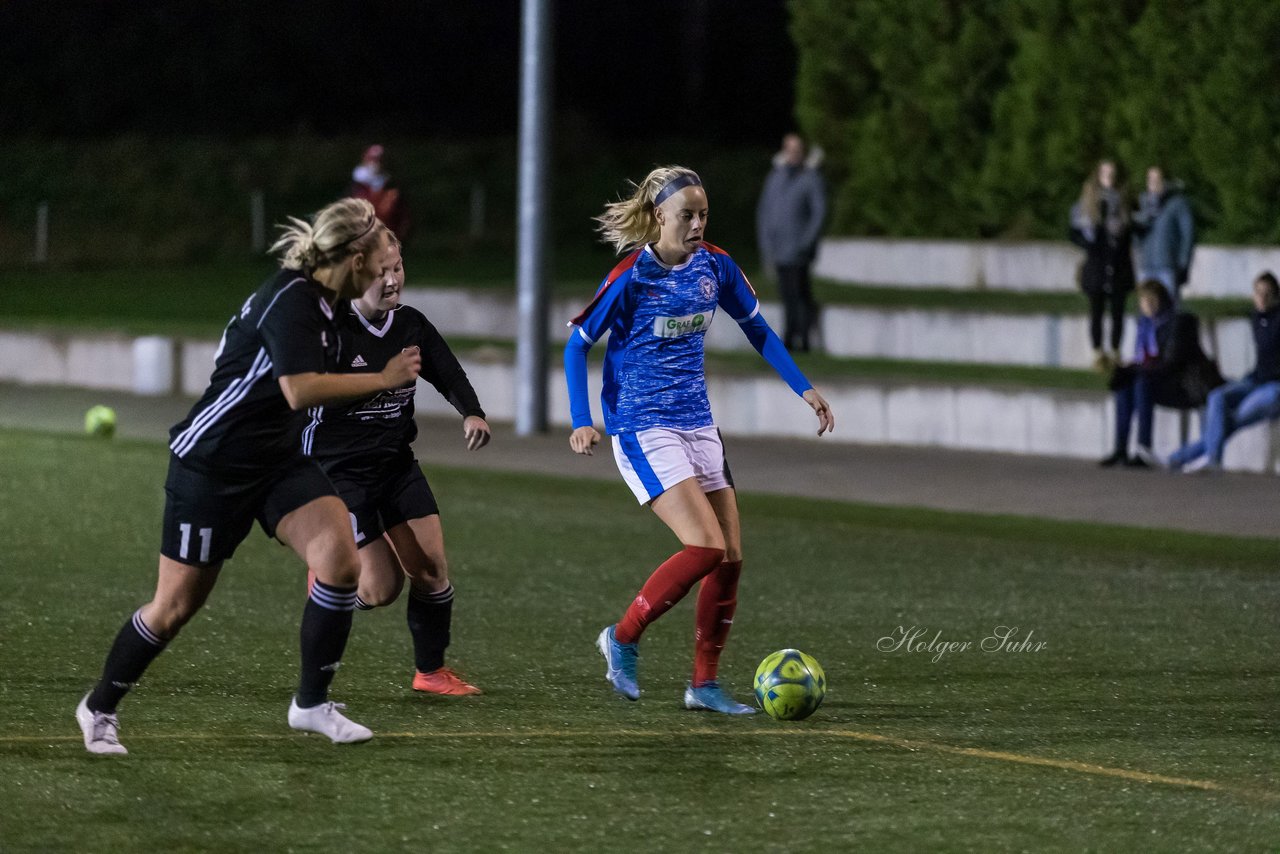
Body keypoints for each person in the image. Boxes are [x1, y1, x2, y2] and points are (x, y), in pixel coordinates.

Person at [76, 198, 421, 754]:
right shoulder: (293, 300)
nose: (390, 263)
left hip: (277, 462)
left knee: (340, 560)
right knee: (173, 610)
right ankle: (99, 707)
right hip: (212, 465)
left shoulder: (329, 300)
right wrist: (383, 379)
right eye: (382, 254)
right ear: (355, 258)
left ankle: (311, 704)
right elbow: (299, 389)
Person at [566, 165, 835, 715]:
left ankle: (704, 686)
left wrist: (804, 388)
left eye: (703, 213)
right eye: (686, 214)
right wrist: (580, 418)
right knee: (706, 547)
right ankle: (621, 637)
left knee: (731, 558)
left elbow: (757, 328)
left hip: (697, 422)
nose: (696, 223)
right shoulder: (631, 277)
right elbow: (577, 344)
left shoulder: (716, 265)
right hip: (643, 426)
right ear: (658, 215)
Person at [304, 236, 489, 695]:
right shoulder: (330, 331)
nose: (393, 280)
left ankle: (430, 672)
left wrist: (472, 411)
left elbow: (446, 370)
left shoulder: (410, 325)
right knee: (381, 589)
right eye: (381, 272)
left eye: (399, 268)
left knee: (431, 570)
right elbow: (304, 391)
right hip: (338, 474)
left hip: (395, 465)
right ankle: (325, 581)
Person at [1100, 279, 1223, 468]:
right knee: (1124, 384)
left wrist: (1134, 369)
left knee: (1141, 382)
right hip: (1157, 379)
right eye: (1144, 301)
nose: (1147, 305)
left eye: (1152, 300)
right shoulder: (1145, 325)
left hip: (1184, 386)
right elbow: (1145, 360)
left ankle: (1143, 450)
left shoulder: (1178, 322)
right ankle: (1120, 449)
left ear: (1162, 300)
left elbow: (1170, 364)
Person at [1167, 271, 1280, 473]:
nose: (1262, 298)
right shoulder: (1256, 318)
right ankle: (1198, 458)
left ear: (1276, 296)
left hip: (1274, 387)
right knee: (1217, 397)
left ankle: (1198, 460)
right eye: (1258, 293)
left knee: (1232, 421)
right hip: (1255, 380)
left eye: (1268, 293)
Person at [756, 133, 827, 352]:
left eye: (797, 149)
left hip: (798, 249)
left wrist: (806, 240)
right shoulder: (775, 177)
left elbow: (819, 212)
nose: (793, 154)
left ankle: (799, 338)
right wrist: (767, 244)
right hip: (779, 249)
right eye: (789, 149)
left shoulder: (810, 178)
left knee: (798, 293)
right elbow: (765, 212)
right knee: (788, 294)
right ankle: (792, 336)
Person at [1069, 160, 1134, 370]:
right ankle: (1097, 353)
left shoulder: (1124, 202)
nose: (1109, 178)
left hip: (1118, 265)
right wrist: (1089, 244)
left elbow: (1132, 230)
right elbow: (1074, 231)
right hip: (1096, 266)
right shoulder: (1086, 202)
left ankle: (1116, 352)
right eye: (1105, 173)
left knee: (1117, 313)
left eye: (1112, 174)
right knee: (1095, 312)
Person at [1132, 166, 1195, 305]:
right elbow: (1135, 235)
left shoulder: (1178, 203)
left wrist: (1183, 263)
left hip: (1168, 266)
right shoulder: (1142, 202)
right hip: (1146, 265)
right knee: (1146, 308)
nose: (1153, 183)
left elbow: (1188, 235)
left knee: (1170, 307)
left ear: (1165, 181)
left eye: (1157, 179)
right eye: (1150, 179)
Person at [351, 144, 410, 241]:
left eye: (378, 161)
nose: (375, 164)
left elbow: (403, 217)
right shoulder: (356, 187)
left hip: (388, 240)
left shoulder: (392, 188)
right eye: (372, 160)